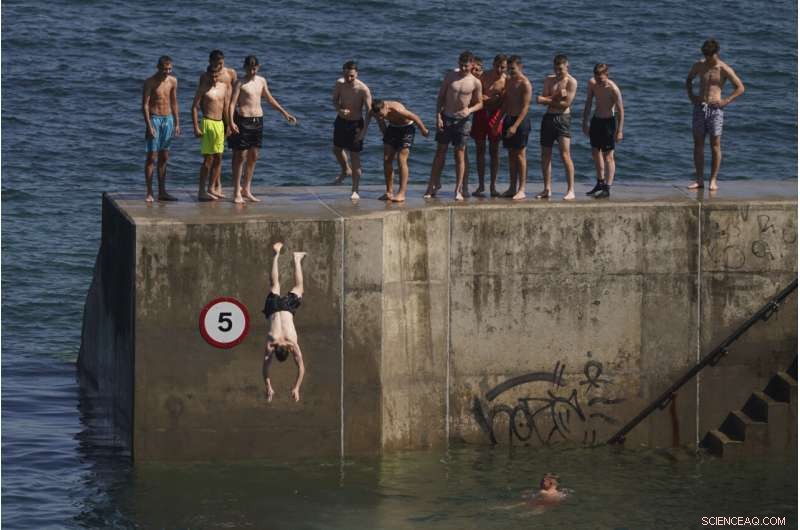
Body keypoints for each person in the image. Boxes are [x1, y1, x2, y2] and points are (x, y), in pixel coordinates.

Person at [228, 55, 297, 204]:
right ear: (245, 67)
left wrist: (285, 113)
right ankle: (236, 191)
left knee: (254, 156)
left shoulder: (261, 81)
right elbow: (232, 104)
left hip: (258, 121)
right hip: (243, 121)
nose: (252, 71)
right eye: (249, 68)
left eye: (254, 68)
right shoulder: (240, 83)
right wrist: (231, 122)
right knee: (240, 157)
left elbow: (270, 99)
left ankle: (247, 189)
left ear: (258, 67)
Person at [685, 39, 745, 191]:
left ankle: (713, 180)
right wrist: (691, 95)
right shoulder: (699, 65)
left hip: (716, 109)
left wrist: (726, 100)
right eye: (704, 55)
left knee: (715, 145)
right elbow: (689, 80)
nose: (706, 58)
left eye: (709, 55)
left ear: (716, 54)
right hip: (700, 108)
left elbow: (740, 88)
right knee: (698, 145)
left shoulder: (723, 68)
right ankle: (699, 179)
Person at [425, 51, 483, 201]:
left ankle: (458, 189)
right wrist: (438, 117)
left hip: (463, 121)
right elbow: (441, 97)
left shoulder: (475, 82)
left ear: (472, 65)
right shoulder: (450, 76)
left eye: (466, 65)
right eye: (461, 65)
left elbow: (480, 103)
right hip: (447, 117)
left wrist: (468, 110)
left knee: (459, 154)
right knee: (440, 152)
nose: (463, 68)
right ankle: (432, 186)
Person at [262, 242, 307, 402]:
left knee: (299, 287)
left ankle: (296, 259)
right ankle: (276, 255)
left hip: (287, 309)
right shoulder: (271, 344)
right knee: (275, 285)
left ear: (287, 351)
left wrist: (297, 387)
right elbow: (265, 367)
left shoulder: (292, 344)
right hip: (273, 308)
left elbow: (301, 368)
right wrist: (268, 386)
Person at [371, 99, 429, 202]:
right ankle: (389, 192)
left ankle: (402, 193)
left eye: (381, 115)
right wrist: (388, 139)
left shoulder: (397, 109)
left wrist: (423, 130)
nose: (381, 117)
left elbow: (415, 117)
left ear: (385, 108)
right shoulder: (377, 111)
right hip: (392, 129)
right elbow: (382, 125)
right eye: (378, 116)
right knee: (387, 159)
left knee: (401, 159)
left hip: (407, 129)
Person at [537, 54, 578, 200]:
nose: (558, 72)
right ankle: (547, 189)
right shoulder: (549, 79)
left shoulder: (572, 82)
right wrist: (555, 97)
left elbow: (566, 104)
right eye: (556, 69)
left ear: (567, 66)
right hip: (548, 118)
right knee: (545, 154)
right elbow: (540, 99)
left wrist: (547, 99)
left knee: (565, 154)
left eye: (561, 69)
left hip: (563, 118)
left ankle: (571, 189)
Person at [582, 63, 624, 199]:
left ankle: (607, 187)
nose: (599, 79)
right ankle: (599, 183)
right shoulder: (592, 84)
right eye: (597, 76)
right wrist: (585, 122)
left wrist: (619, 130)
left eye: (602, 77)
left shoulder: (613, 89)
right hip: (596, 121)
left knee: (608, 156)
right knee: (595, 152)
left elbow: (621, 111)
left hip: (608, 122)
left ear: (607, 75)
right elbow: (588, 103)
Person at [198, 50, 237, 198]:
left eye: (221, 63)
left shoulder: (230, 74)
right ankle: (210, 187)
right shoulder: (205, 77)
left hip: (226, 116)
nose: (219, 67)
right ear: (210, 62)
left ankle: (215, 185)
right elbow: (202, 101)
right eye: (216, 64)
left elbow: (233, 96)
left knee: (220, 155)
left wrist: (231, 122)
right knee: (210, 156)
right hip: (211, 118)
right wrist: (204, 120)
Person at [332, 60, 372, 200]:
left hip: (356, 124)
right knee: (336, 149)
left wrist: (364, 131)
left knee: (355, 156)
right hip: (341, 121)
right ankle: (345, 170)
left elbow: (369, 111)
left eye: (352, 76)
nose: (349, 79)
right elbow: (334, 100)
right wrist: (340, 110)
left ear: (357, 74)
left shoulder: (363, 89)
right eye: (346, 75)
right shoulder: (339, 84)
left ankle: (355, 189)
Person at [142, 56, 180, 203]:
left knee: (164, 157)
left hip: (168, 119)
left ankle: (162, 191)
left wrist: (177, 123)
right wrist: (148, 125)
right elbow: (145, 105)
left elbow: (174, 102)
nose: (167, 71)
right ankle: (150, 191)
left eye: (170, 69)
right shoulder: (150, 82)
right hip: (154, 119)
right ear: (158, 67)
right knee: (152, 157)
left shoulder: (173, 81)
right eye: (165, 69)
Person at [192, 63, 231, 201]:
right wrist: (196, 127)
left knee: (219, 158)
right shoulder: (203, 88)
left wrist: (230, 124)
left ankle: (211, 188)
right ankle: (201, 191)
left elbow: (225, 107)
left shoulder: (224, 87)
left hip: (220, 124)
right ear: (208, 75)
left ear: (219, 75)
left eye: (216, 76)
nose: (214, 78)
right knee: (208, 159)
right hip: (208, 123)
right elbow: (194, 107)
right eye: (212, 76)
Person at [471, 54, 508, 197]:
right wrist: (483, 99)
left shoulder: (506, 81)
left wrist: (491, 100)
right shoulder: (483, 76)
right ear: (493, 64)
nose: (499, 69)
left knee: (494, 152)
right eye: (497, 66)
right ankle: (481, 185)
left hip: (495, 116)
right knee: (480, 150)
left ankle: (493, 185)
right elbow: (474, 94)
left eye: (503, 67)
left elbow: (502, 104)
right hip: (480, 115)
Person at [500, 55, 532, 200]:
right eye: (509, 69)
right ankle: (512, 187)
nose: (510, 71)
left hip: (520, 121)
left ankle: (522, 188)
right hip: (509, 119)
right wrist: (499, 121)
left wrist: (515, 126)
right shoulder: (508, 81)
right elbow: (506, 103)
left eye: (513, 69)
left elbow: (525, 108)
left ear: (520, 67)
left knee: (520, 155)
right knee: (511, 155)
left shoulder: (525, 84)